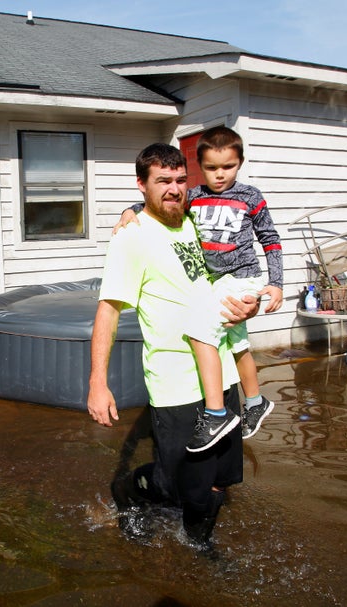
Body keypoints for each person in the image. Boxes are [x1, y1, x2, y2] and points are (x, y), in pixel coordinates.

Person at [87, 143, 259, 549]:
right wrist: (98, 381)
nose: (174, 189)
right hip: (176, 383)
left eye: (181, 180)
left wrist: (246, 305)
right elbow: (108, 310)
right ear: (142, 185)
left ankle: (200, 549)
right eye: (163, 181)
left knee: (220, 482)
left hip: (224, 377)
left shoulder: (198, 222)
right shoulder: (132, 238)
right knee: (181, 487)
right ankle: (130, 490)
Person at [115, 126, 283, 453]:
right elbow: (162, 205)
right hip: (215, 280)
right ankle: (255, 401)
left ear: (240, 163)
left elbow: (271, 241)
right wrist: (129, 210)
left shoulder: (251, 197)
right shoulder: (195, 196)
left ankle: (216, 413)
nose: (220, 175)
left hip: (243, 276)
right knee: (238, 343)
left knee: (198, 332)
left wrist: (275, 283)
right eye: (211, 168)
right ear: (200, 167)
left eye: (228, 167)